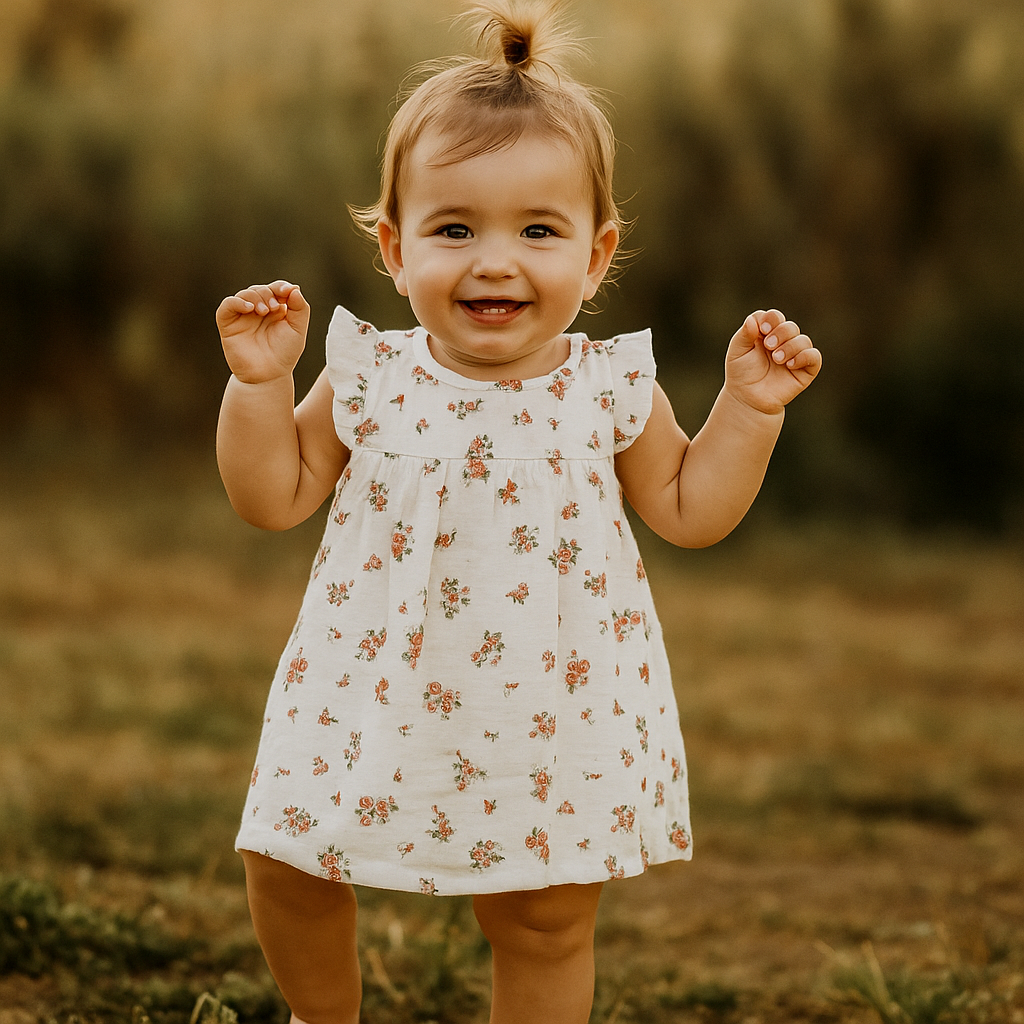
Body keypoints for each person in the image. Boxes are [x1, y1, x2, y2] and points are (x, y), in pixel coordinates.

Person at [214, 2, 822, 1022]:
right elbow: (269, 496)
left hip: (551, 711)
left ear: (596, 254)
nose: (494, 260)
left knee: (541, 918)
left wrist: (748, 412)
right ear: (394, 248)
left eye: (538, 231)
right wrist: (257, 385)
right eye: (454, 229)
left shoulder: (607, 386)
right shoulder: (370, 375)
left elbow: (689, 509)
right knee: (285, 861)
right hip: (363, 690)